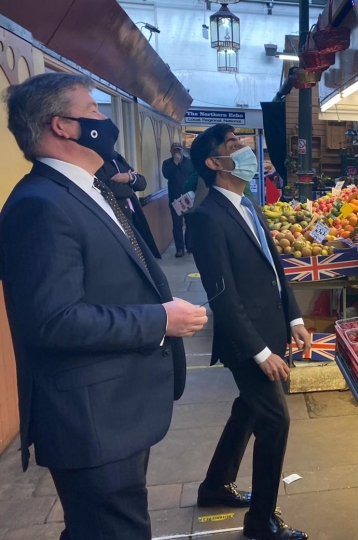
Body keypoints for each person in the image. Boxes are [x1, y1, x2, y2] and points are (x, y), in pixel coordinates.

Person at [0, 73, 207, 540]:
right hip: (90, 422)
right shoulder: (41, 204)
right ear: (62, 126)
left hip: (115, 412)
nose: (104, 120)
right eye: (94, 110)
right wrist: (161, 319)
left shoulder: (83, 189)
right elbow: (53, 320)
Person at [188, 123, 311, 540]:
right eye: (233, 145)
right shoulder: (205, 218)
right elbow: (223, 297)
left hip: (272, 330)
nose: (245, 151)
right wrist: (260, 351)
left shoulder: (249, 204)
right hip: (247, 344)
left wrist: (294, 318)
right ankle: (260, 523)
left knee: (248, 409)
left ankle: (214, 485)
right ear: (213, 162)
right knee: (275, 421)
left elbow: (276, 269)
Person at [96, 152, 162, 258]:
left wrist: (128, 177)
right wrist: (131, 183)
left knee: (141, 252)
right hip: (117, 214)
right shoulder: (96, 160)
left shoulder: (117, 158)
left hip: (134, 212)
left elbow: (142, 183)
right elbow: (109, 188)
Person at [162, 142, 195, 257]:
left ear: (182, 151)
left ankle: (189, 245)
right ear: (171, 152)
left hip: (189, 198)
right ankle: (179, 249)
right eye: (174, 150)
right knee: (177, 225)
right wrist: (175, 164)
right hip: (175, 199)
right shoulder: (167, 163)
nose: (177, 152)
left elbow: (195, 177)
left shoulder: (190, 163)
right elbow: (167, 175)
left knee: (190, 223)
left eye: (179, 150)